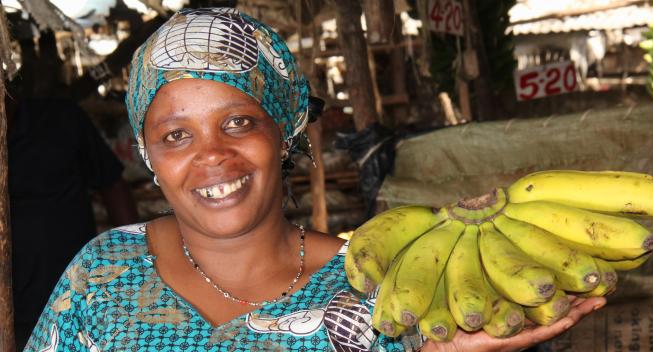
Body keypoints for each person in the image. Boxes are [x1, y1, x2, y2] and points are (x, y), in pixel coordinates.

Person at [23, 8, 604, 351]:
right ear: (148, 154)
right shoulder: (101, 275)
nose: (212, 155)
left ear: (284, 134)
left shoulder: (377, 294)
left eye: (238, 122)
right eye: (176, 135)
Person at [8, 30, 139, 348]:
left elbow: (113, 185)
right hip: (11, 305)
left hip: (72, 293)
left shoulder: (61, 118)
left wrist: (134, 261)